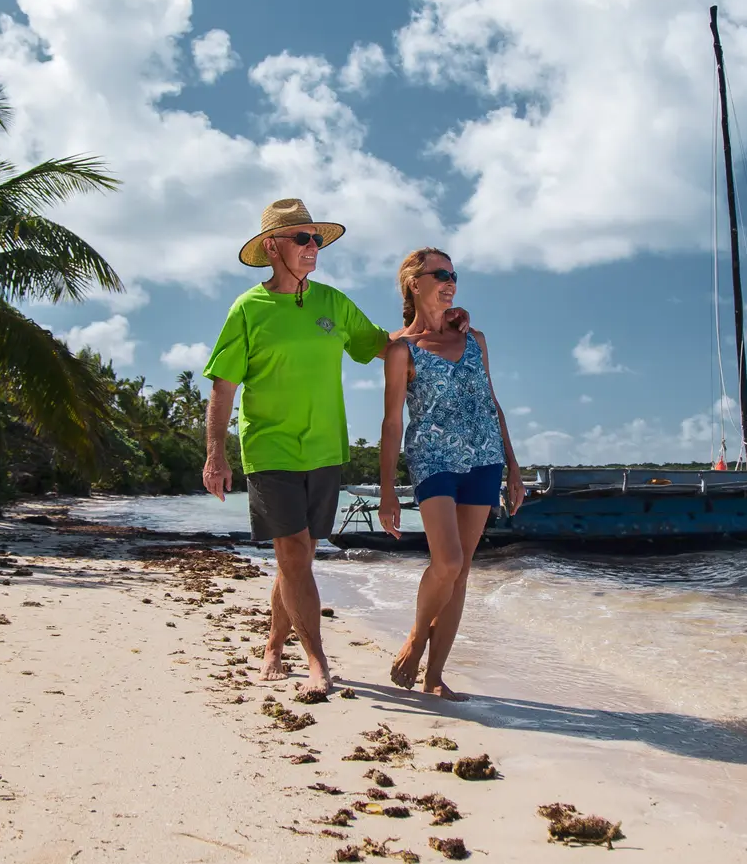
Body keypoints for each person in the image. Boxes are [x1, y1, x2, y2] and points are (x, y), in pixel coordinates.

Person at [202, 200, 467, 694]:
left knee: (298, 555)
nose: (312, 248)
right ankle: (317, 662)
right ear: (271, 247)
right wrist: (216, 454)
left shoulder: (332, 303)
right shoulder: (248, 309)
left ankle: (273, 644)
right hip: (270, 448)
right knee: (295, 554)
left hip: (325, 448)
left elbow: (381, 344)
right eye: (302, 239)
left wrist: (435, 325)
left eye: (316, 239)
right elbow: (223, 386)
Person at [378, 247, 524, 700]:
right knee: (449, 562)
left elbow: (492, 403)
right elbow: (392, 422)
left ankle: (434, 676)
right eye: (439, 273)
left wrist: (514, 468)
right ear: (413, 283)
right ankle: (416, 638)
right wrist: (386, 491)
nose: (449, 281)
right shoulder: (400, 349)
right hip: (433, 459)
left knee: (461, 573)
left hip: (484, 459)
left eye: (453, 274)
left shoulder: (476, 339)